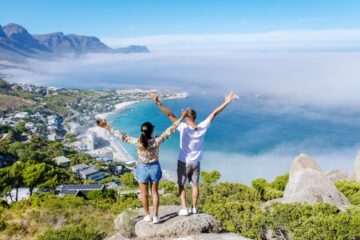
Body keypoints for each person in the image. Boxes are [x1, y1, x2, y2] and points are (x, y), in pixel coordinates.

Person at [150, 92, 237, 215]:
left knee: (181, 185)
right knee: (195, 185)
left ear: (186, 117)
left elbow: (169, 114)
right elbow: (215, 113)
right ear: (195, 117)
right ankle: (194, 207)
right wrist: (227, 101)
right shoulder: (202, 127)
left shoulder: (183, 127)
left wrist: (157, 102)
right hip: (196, 162)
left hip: (183, 162)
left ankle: (184, 208)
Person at [96, 109, 188, 223]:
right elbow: (171, 129)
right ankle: (155, 217)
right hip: (155, 167)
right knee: (154, 192)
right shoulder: (156, 141)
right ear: (151, 131)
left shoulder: (137, 142)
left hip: (142, 168)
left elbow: (121, 136)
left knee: (143, 194)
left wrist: (106, 127)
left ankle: (147, 215)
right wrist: (182, 117)